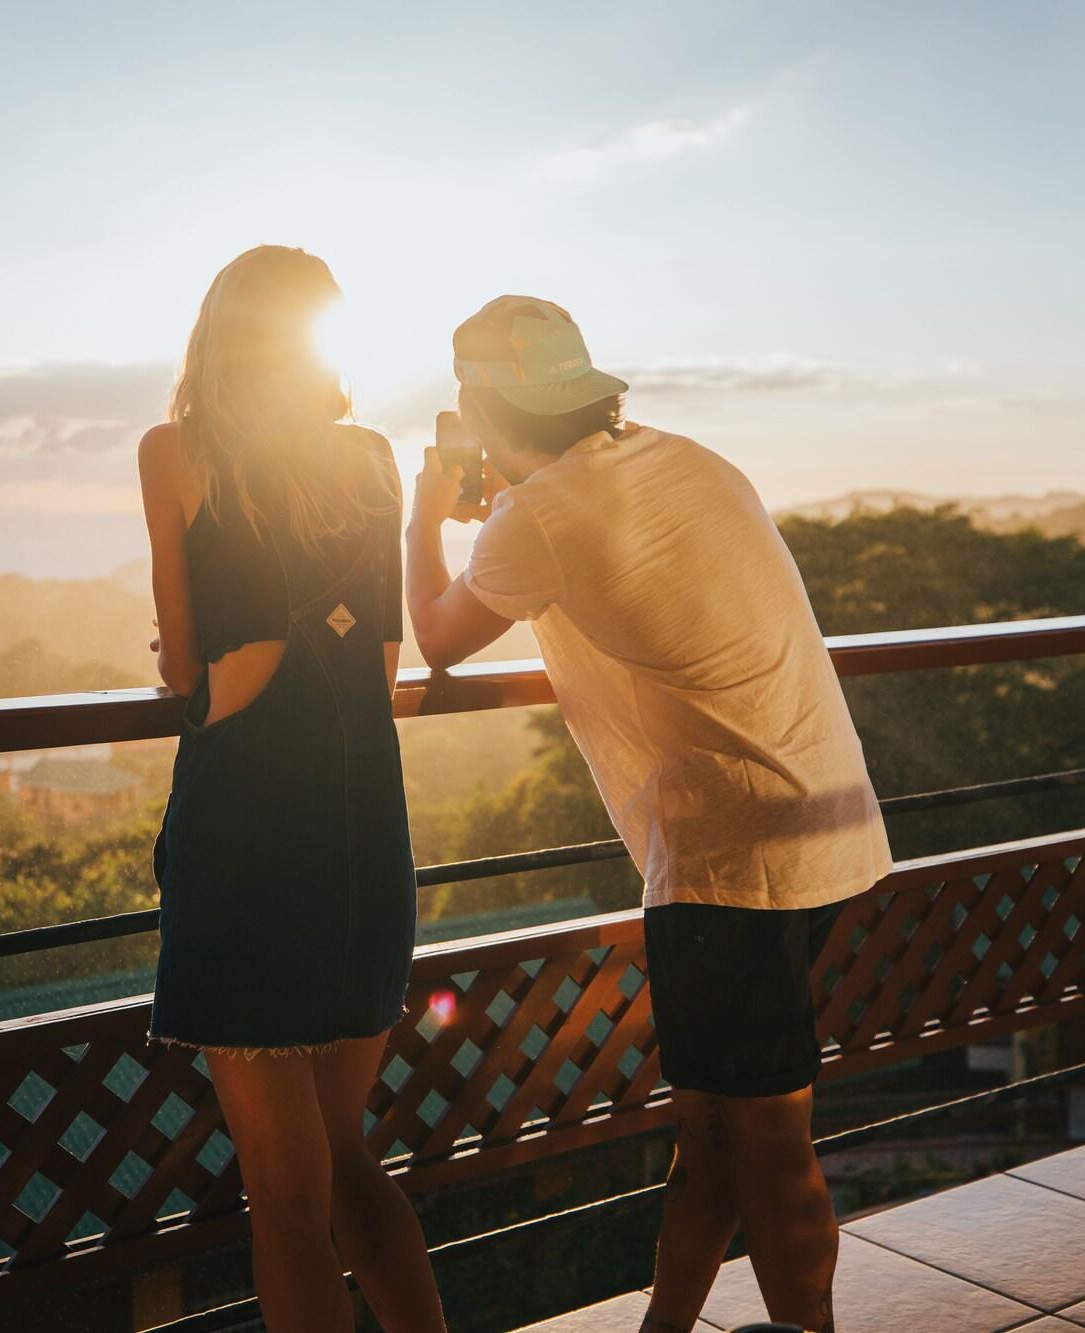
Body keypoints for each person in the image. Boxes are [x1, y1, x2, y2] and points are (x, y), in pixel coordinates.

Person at [404, 295, 892, 1333]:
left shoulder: (535, 516)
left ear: (479, 406)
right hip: (825, 821)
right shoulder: (692, 459)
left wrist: (419, 514)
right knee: (715, 1124)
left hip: (729, 854)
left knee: (765, 1140)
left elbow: (438, 636)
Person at [139, 245, 447, 1333]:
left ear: (216, 332)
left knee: (285, 1203)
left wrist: (184, 659)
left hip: (250, 835)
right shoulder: (368, 456)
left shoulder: (176, 450)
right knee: (347, 1159)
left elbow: (183, 667)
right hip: (364, 829)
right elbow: (381, 670)